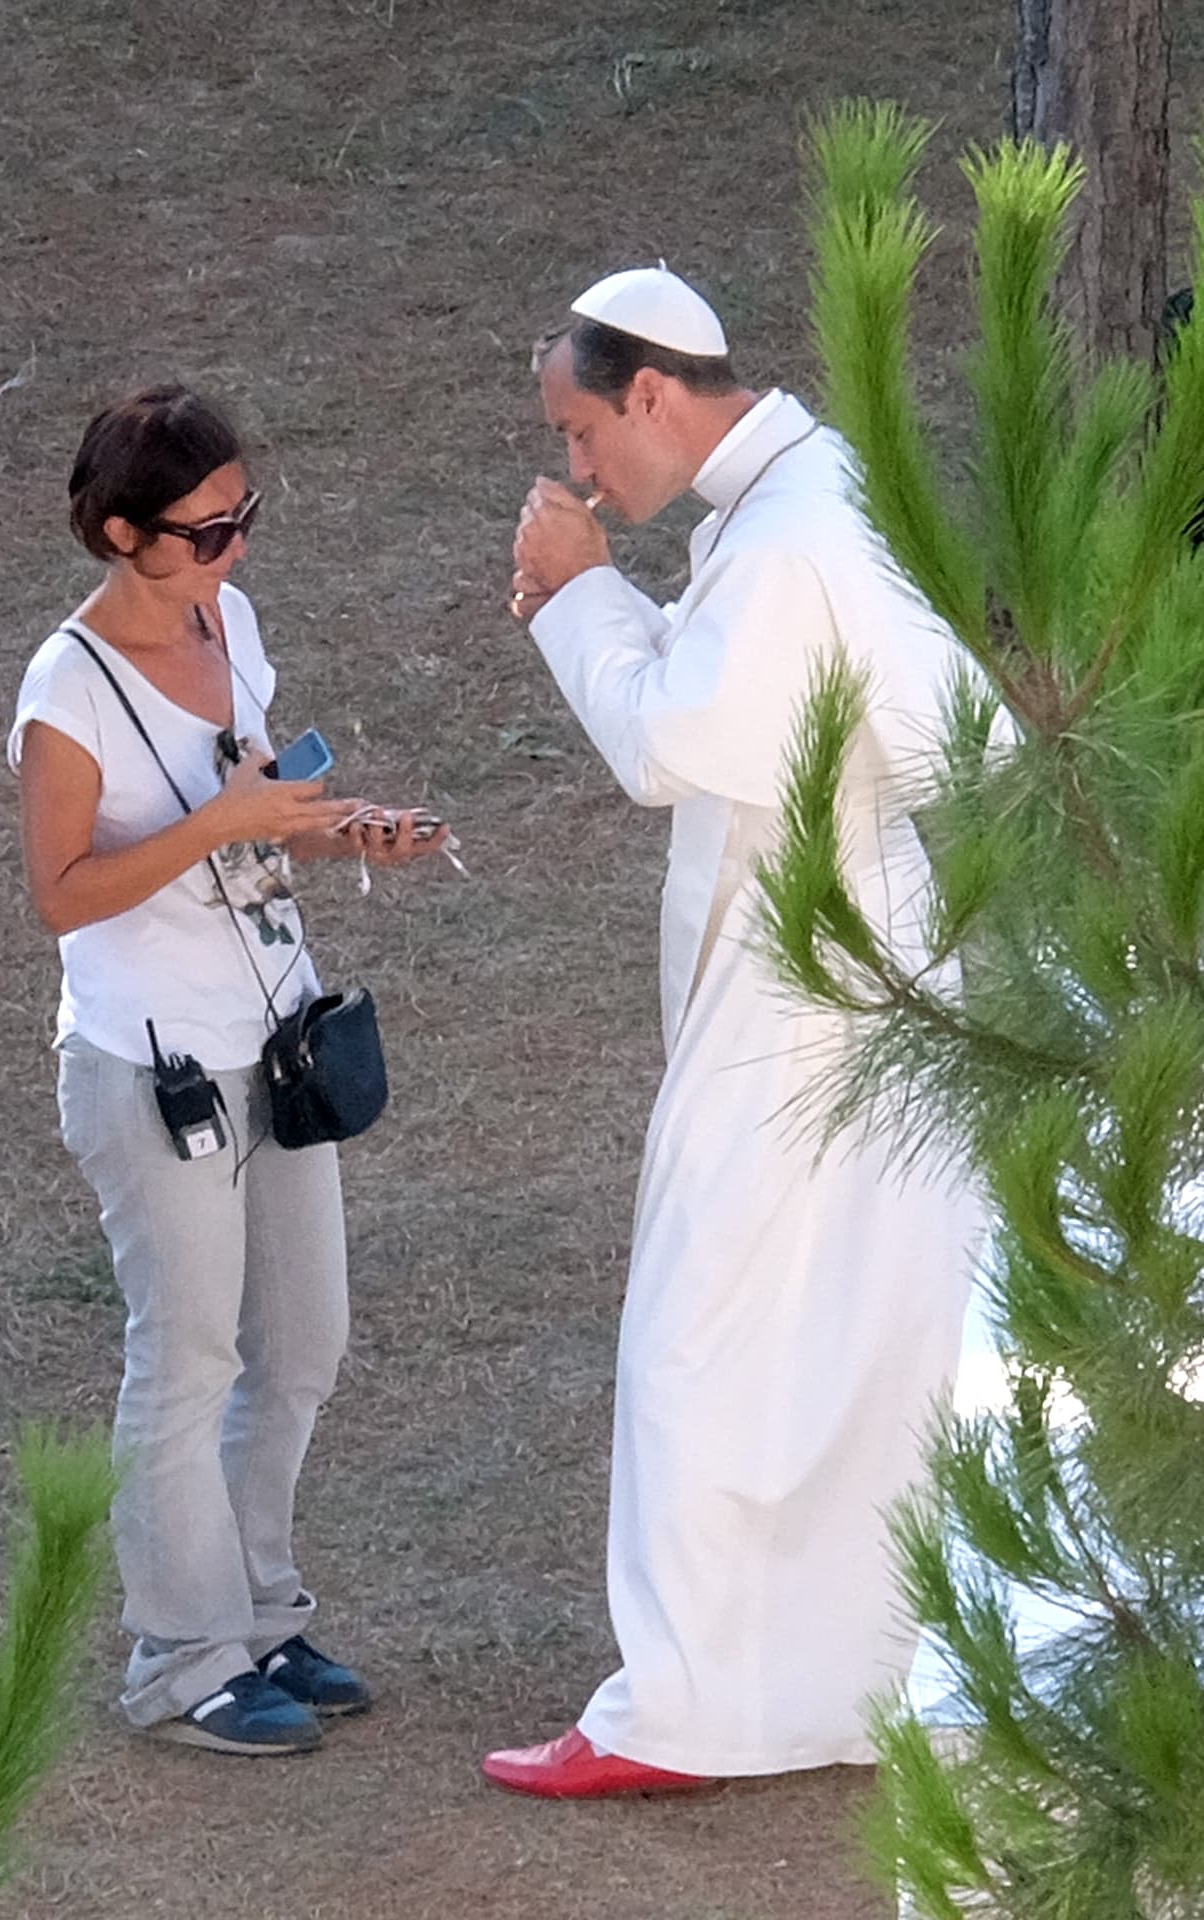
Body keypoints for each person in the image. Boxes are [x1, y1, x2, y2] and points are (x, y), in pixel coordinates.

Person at [482, 268, 978, 1797]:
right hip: (876, 968)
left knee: (699, 1335)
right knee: (849, 1333)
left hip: (815, 985)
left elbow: (672, 744)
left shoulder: (789, 543)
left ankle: (686, 1710)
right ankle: (850, 1681)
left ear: (652, 394)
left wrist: (576, 594)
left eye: (580, 431)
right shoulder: (812, 496)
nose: (576, 470)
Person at [10, 385, 448, 1755]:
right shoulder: (65, 691)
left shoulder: (226, 623)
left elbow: (257, 824)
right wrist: (223, 822)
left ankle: (257, 1616)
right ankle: (179, 1661)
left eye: (244, 519)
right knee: (190, 1358)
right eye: (208, 531)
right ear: (122, 532)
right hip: (156, 1073)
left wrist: (338, 832)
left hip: (277, 1040)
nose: (235, 550)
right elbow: (64, 893)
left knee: (304, 1341)